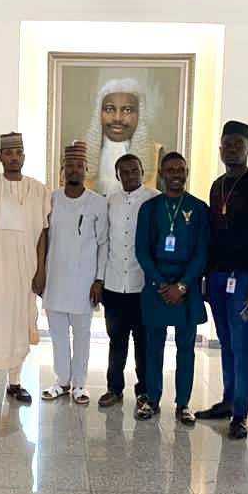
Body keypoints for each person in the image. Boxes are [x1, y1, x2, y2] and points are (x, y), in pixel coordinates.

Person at [195, 121, 248, 439]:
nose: (231, 149)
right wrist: (205, 275)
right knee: (226, 341)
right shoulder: (217, 186)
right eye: (227, 144)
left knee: (242, 343)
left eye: (238, 145)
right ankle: (228, 401)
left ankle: (241, 413)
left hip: (244, 276)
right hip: (217, 275)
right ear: (220, 149)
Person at [0, 132, 51, 408]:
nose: (14, 157)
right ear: (0, 157)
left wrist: (40, 271)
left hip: (24, 271)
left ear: (24, 157)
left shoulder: (38, 190)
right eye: (8, 153)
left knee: (20, 324)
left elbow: (42, 235)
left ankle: (15, 382)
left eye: (18, 153)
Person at [134, 152, 209, 424]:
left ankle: (183, 403)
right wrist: (162, 284)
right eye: (170, 169)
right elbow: (142, 251)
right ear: (161, 173)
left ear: (186, 172)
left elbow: (202, 253)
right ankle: (152, 399)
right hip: (157, 285)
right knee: (153, 346)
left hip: (187, 286)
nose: (176, 174)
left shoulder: (199, 209)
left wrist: (182, 286)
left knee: (186, 347)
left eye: (181, 169)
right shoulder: (149, 208)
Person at [41, 142, 109, 404]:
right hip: (55, 279)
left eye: (79, 166)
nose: (74, 170)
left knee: (82, 335)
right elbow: (43, 238)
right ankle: (62, 381)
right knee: (58, 335)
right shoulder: (51, 200)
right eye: (69, 166)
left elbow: (103, 244)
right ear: (62, 170)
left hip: (85, 282)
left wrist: (99, 280)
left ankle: (80, 384)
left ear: (86, 170)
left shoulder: (97, 203)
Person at [99, 153, 159, 408]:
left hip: (142, 284)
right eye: (124, 172)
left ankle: (144, 390)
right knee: (116, 340)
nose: (130, 175)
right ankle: (114, 388)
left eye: (134, 170)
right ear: (117, 175)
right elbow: (104, 242)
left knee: (143, 341)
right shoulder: (109, 201)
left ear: (142, 171)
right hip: (114, 283)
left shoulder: (155, 199)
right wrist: (99, 280)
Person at [82, 78, 161, 196]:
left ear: (139, 114)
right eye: (109, 109)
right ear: (99, 113)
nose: (117, 118)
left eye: (127, 110)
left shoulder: (158, 153)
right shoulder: (79, 153)